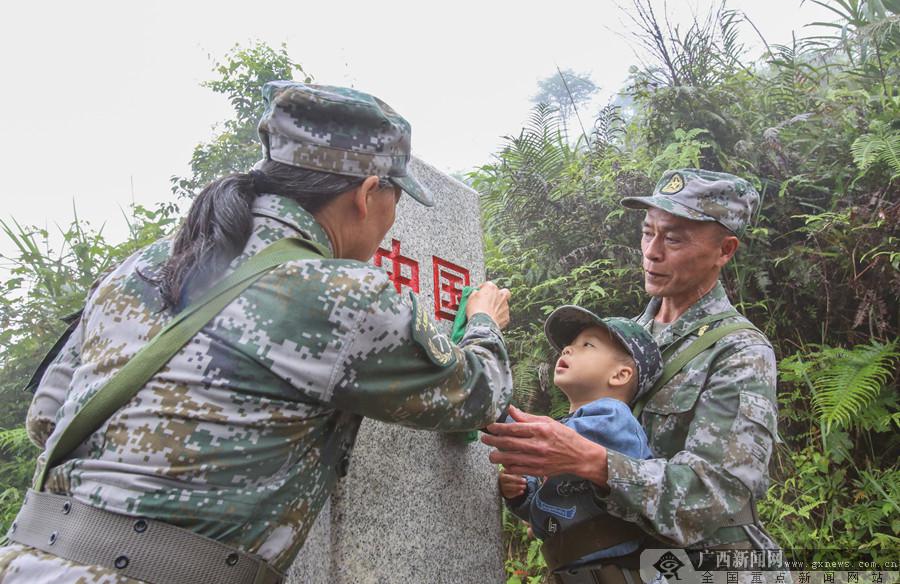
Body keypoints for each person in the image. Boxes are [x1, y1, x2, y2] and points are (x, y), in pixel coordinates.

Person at [0, 81, 513, 584]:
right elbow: (479, 394)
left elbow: (46, 418)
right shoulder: (339, 291)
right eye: (396, 201)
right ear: (367, 194)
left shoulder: (138, 265)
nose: (390, 224)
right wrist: (485, 321)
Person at [483, 169, 780, 577]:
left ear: (725, 250)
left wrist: (594, 462)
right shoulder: (619, 339)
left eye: (673, 238)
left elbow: (714, 496)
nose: (651, 252)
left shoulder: (738, 351)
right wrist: (531, 486)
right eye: (647, 232)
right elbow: (576, 480)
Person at [499, 310, 661, 573]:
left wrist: (490, 408)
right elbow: (555, 511)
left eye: (587, 345)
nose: (567, 350)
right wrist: (522, 494)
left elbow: (535, 435)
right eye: (568, 345)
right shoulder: (569, 432)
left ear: (620, 375)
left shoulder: (613, 418)